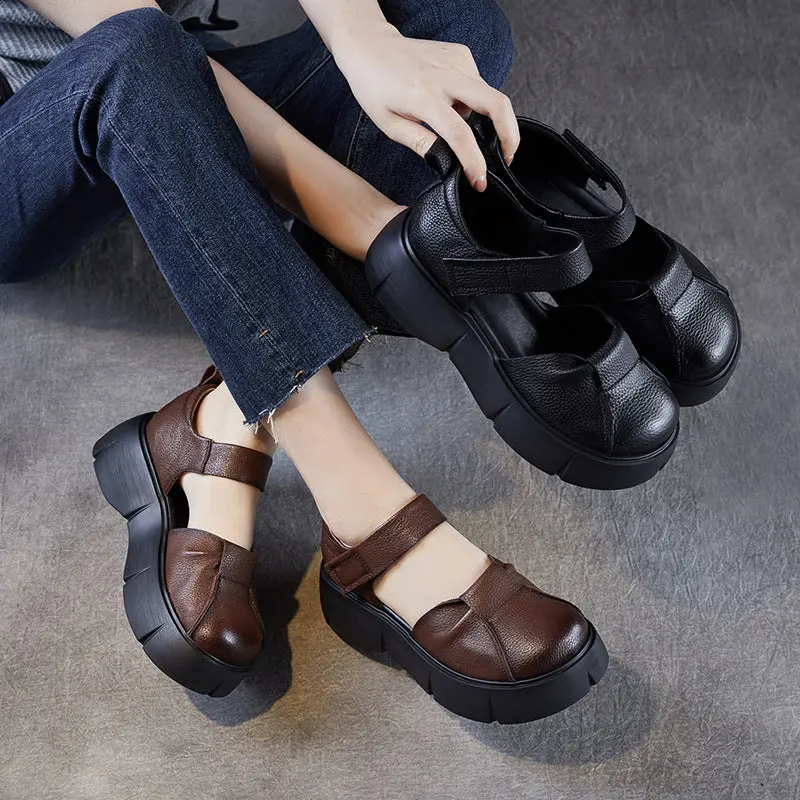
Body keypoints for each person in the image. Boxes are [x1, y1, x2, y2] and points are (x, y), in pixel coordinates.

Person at [0, 0, 607, 723]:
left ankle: (225, 418)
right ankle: (362, 507)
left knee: (452, 23)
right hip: (31, 136)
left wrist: (366, 38)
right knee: (133, 53)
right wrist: (373, 227)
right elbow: (121, 38)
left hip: (164, 84)